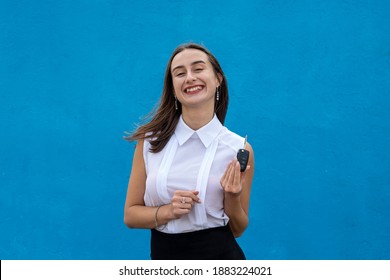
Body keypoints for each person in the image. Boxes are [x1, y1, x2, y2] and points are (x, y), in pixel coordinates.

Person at [124, 42, 254, 260]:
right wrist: (168, 211)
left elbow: (238, 229)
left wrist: (233, 196)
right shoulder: (150, 143)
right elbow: (130, 215)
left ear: (218, 79)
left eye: (198, 68)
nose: (190, 77)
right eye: (180, 73)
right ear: (173, 87)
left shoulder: (239, 148)